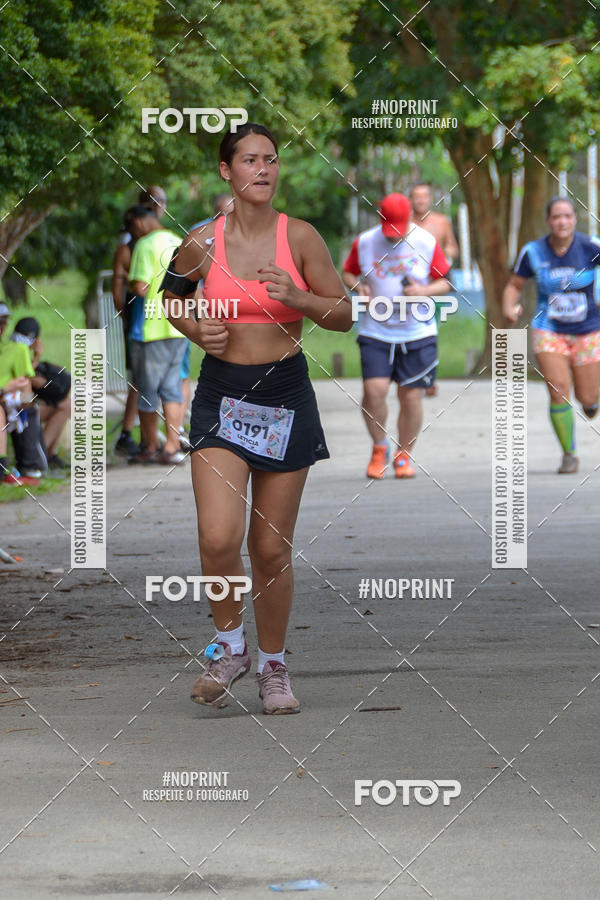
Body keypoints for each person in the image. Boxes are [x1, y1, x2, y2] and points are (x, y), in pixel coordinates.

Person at [161, 122, 352, 714]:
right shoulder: (202, 243)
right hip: (222, 396)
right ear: (227, 171)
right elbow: (168, 296)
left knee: (269, 548)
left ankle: (273, 665)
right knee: (217, 538)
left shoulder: (301, 239)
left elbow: (344, 314)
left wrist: (299, 300)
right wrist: (194, 326)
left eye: (271, 160)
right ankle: (228, 645)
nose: (263, 169)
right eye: (249, 160)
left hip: (284, 399)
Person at [342, 192, 451, 479]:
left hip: (417, 331)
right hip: (376, 329)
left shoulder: (426, 242)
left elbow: (445, 283)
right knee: (374, 391)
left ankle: (404, 454)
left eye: (399, 230)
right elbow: (348, 273)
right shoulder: (365, 242)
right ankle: (380, 447)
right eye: (390, 229)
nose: (394, 236)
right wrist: (359, 287)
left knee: (410, 396)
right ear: (381, 219)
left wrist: (423, 291)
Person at [503, 195, 600, 474]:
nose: (562, 222)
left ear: (575, 219)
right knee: (558, 388)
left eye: (567, 216)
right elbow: (514, 285)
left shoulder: (590, 246)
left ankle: (591, 402)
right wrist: (510, 307)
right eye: (556, 217)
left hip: (588, 330)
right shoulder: (533, 252)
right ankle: (569, 453)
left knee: (587, 397)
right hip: (549, 328)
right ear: (548, 221)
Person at [128, 207, 187, 463]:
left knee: (148, 390)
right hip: (178, 326)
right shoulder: (178, 240)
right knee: (172, 388)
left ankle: (150, 447)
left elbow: (140, 287)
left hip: (151, 329)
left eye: (132, 227)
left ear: (140, 222)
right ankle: (172, 447)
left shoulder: (144, 244)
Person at [410, 183, 459, 397]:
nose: (421, 201)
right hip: (409, 287)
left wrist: (444, 254)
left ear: (429, 199)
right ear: (411, 199)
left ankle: (429, 378)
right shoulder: (404, 223)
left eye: (424, 197)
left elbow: (453, 248)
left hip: (434, 286)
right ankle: (413, 376)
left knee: (430, 329)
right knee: (410, 331)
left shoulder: (441, 222)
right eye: (416, 197)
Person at [112, 207, 142, 457]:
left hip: (150, 318)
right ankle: (127, 433)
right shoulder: (127, 249)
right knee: (139, 379)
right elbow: (117, 291)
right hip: (137, 319)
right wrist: (127, 318)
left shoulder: (147, 245)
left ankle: (144, 435)